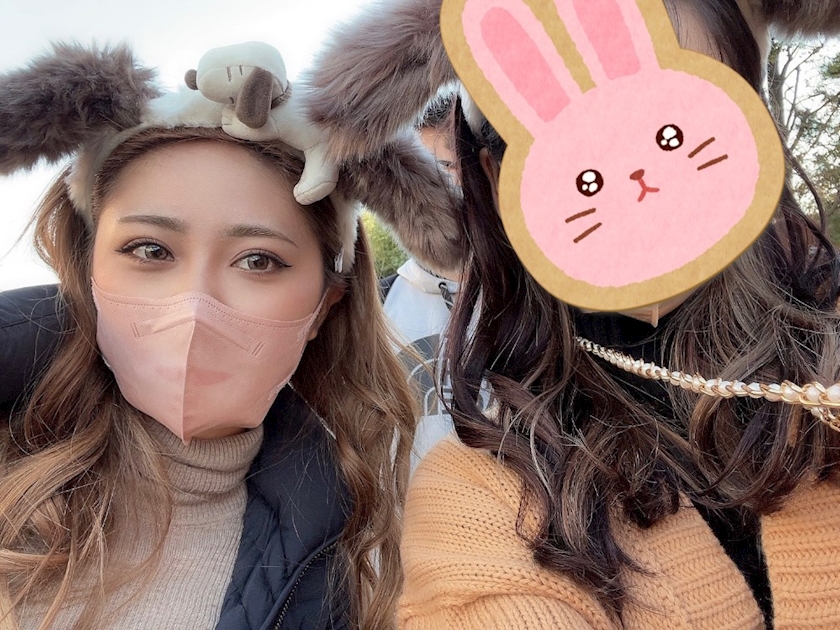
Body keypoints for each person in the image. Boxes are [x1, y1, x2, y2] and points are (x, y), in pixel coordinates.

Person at [302, 0, 840, 627]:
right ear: (495, 176)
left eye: (674, 124)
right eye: (585, 163)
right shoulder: (482, 500)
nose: (641, 179)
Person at [0, 42, 416, 630]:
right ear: (88, 269)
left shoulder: (372, 556)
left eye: (258, 261)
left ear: (325, 306)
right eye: (150, 250)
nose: (195, 306)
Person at [380, 96, 461, 472]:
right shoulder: (374, 303)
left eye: (448, 168)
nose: (434, 189)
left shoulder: (537, 301)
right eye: (418, 170)